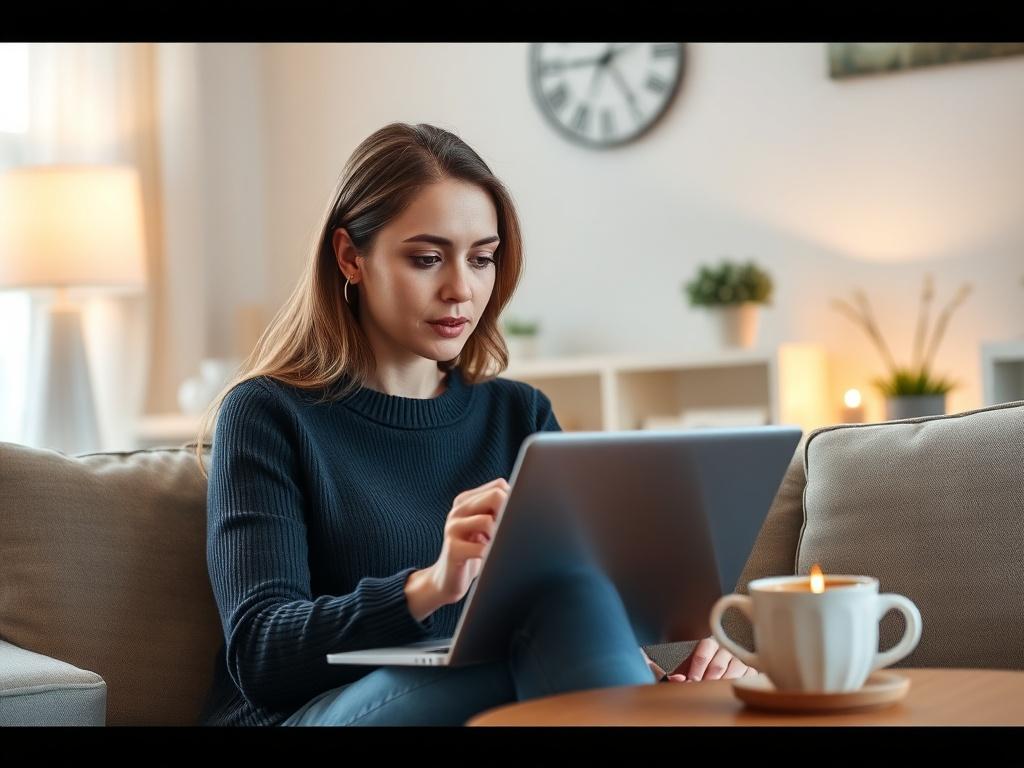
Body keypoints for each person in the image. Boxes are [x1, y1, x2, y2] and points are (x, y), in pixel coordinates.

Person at [192, 122, 756, 727]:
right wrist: (431, 586)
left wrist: (664, 670)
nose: (461, 289)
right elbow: (261, 654)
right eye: (427, 259)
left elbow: (584, 612)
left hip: (510, 693)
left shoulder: (521, 416)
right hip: (309, 714)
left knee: (574, 608)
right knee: (545, 632)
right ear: (350, 257)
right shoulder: (267, 413)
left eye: (482, 258)